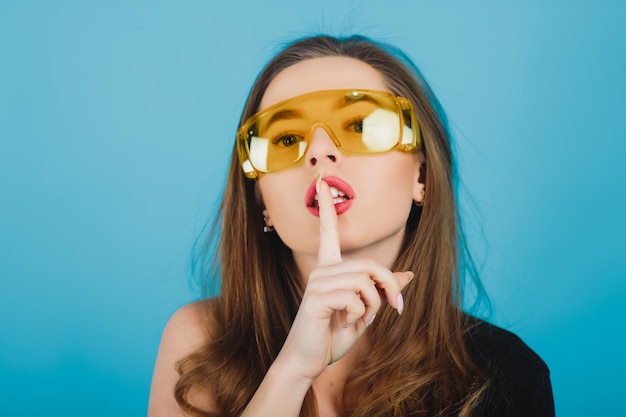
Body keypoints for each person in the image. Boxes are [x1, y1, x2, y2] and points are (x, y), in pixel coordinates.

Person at [147, 34, 554, 417]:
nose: (320, 152)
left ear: (422, 178)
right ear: (261, 203)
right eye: (287, 139)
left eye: (360, 126)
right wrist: (291, 372)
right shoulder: (199, 341)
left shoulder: (504, 373)